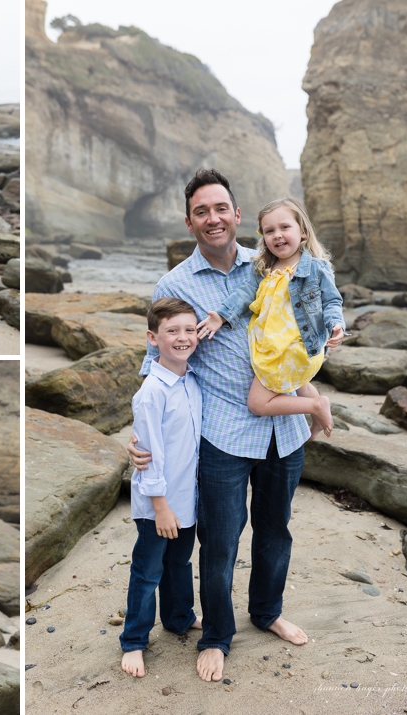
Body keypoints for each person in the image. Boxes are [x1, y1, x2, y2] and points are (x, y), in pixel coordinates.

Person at [129, 169, 332, 683]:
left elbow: (307, 321)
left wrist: (323, 345)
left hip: (283, 427)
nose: (213, 218)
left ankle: (267, 612)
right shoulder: (174, 285)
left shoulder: (272, 263)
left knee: (275, 530)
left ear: (238, 215)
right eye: (201, 211)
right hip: (222, 432)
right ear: (190, 222)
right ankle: (217, 635)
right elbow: (155, 366)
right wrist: (141, 435)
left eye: (221, 208)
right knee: (219, 542)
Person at [196, 197, 343, 437]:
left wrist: (336, 324)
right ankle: (317, 418)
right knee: (300, 384)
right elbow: (244, 294)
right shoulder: (263, 268)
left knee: (257, 403)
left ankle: (316, 406)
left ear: (303, 232)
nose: (277, 235)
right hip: (273, 346)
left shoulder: (316, 269)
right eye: (269, 231)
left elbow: (332, 301)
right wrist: (221, 316)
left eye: (285, 227)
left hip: (296, 347)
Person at [120, 297, 204, 678]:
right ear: (153, 338)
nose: (182, 337)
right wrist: (160, 507)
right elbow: (149, 455)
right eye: (172, 331)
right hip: (158, 504)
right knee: (148, 571)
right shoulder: (151, 392)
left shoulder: (192, 380)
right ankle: (134, 641)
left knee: (179, 563)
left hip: (186, 499)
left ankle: (178, 617)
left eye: (189, 329)